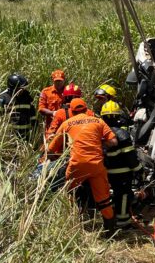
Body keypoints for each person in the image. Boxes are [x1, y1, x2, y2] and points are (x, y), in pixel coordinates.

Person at [48, 98, 118, 235]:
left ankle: (70, 228)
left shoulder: (67, 123)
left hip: (76, 166)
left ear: (72, 111)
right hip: (96, 166)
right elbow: (113, 142)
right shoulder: (98, 121)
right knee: (104, 199)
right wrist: (100, 144)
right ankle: (110, 232)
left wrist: (54, 158)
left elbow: (51, 149)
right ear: (86, 109)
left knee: (69, 194)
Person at [101, 101, 141, 229]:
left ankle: (109, 219)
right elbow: (130, 157)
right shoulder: (122, 134)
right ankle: (123, 223)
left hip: (105, 172)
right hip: (122, 172)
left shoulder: (99, 132)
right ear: (118, 117)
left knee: (110, 196)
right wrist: (139, 170)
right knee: (123, 196)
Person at [0, 73, 37, 139]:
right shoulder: (3, 98)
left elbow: (32, 114)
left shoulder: (26, 97)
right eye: (19, 88)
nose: (22, 90)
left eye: (23, 88)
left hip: (26, 134)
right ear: (12, 88)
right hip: (9, 136)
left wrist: (34, 127)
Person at [38, 70, 66, 136]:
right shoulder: (46, 92)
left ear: (64, 80)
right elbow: (41, 108)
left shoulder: (68, 91)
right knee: (50, 144)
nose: (58, 83)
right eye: (56, 81)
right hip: (51, 126)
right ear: (52, 80)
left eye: (60, 81)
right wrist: (53, 113)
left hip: (65, 125)